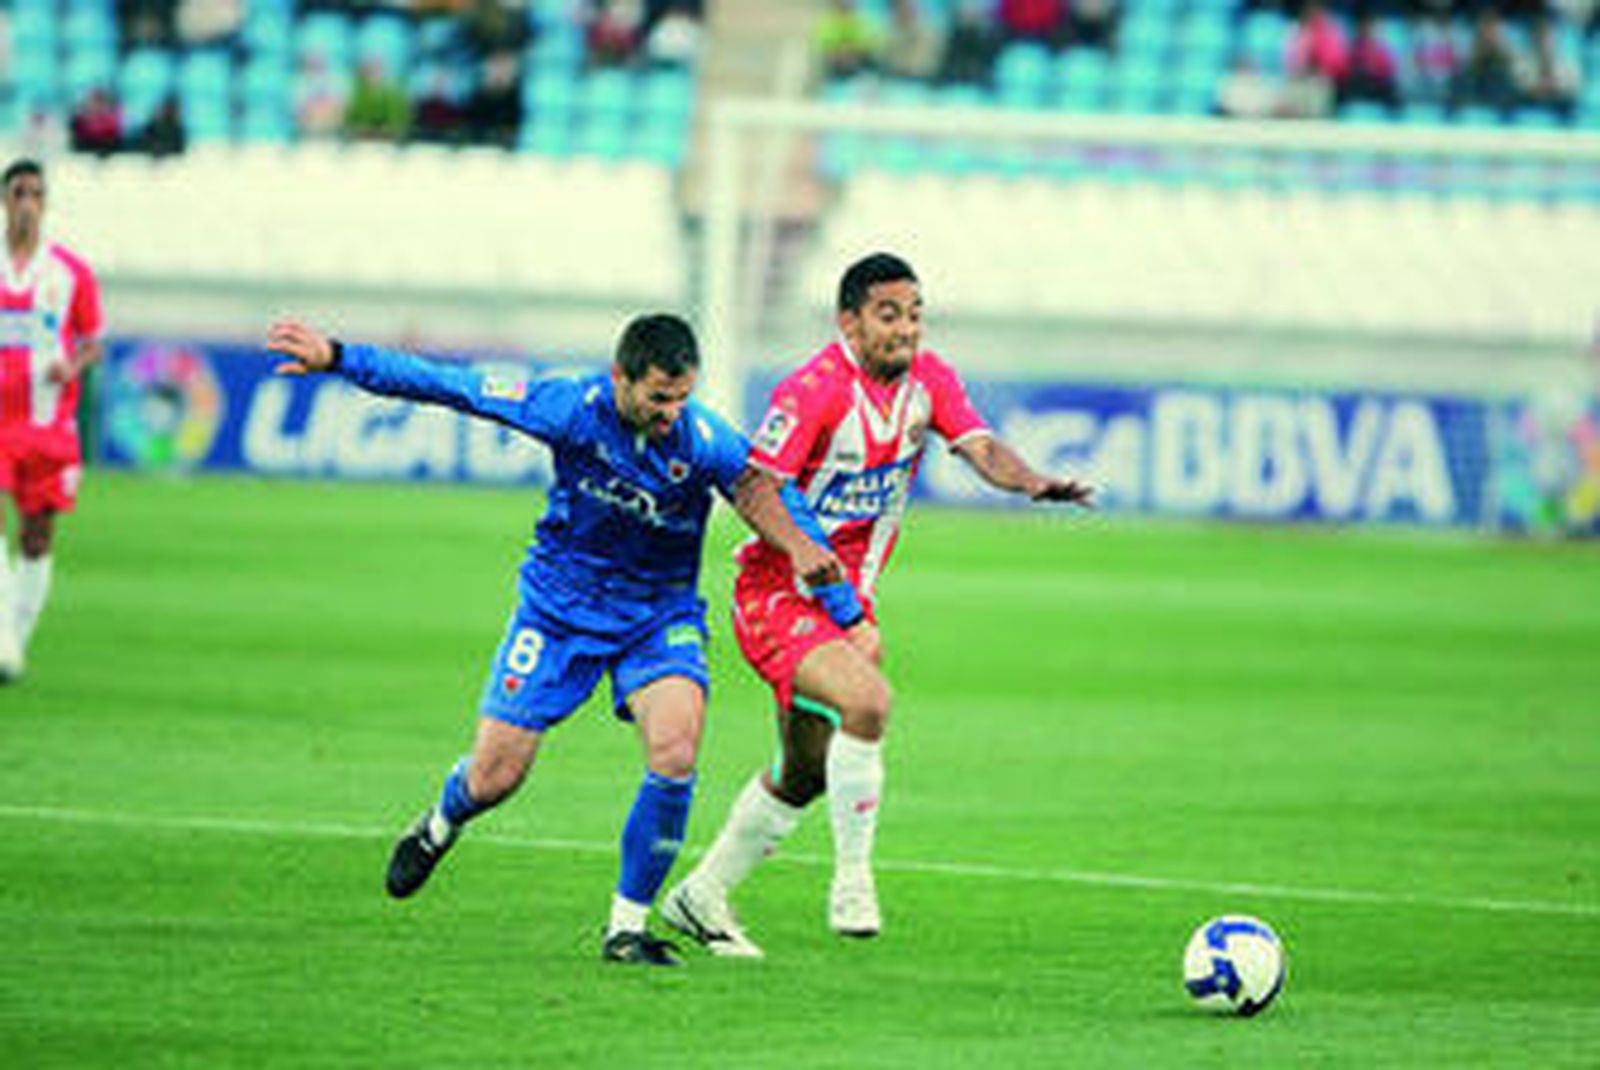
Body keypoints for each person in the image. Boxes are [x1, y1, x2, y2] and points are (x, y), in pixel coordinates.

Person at [263, 314, 845, 967]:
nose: (671, 413)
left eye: (682, 397)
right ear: (620, 378)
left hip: (658, 616)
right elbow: (448, 385)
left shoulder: (704, 439)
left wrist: (836, 594)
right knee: (496, 775)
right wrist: (339, 356)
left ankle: (626, 930)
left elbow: (767, 493)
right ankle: (439, 824)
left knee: (676, 751)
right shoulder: (567, 407)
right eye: (659, 397)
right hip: (558, 613)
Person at [662, 253, 1093, 958]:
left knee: (803, 773)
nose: (906, 329)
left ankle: (699, 895)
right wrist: (804, 554)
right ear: (850, 321)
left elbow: (979, 446)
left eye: (915, 314)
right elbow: (755, 486)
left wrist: (1030, 482)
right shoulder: (814, 391)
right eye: (889, 314)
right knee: (869, 702)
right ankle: (853, 881)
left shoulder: (930, 382)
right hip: (774, 593)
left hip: (842, 602)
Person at [0, 159, 107, 683]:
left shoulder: (69, 272)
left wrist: (72, 365)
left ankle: (13, 643)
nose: (26, 202)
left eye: (35, 193)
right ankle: (2, 639)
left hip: (46, 426)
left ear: (45, 204)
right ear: (4, 200)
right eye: (18, 191)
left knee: (36, 536)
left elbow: (93, 342)